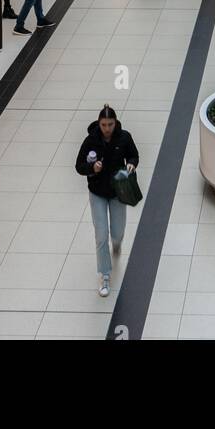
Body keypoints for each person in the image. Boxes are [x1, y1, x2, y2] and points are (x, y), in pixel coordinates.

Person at [75, 105, 139, 298]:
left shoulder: (124, 137)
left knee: (117, 232)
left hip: (118, 192)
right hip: (97, 192)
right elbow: (79, 166)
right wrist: (91, 168)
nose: (107, 128)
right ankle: (104, 275)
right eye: (104, 124)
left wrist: (131, 164)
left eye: (110, 124)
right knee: (101, 235)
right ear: (99, 123)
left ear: (115, 122)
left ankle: (117, 244)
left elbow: (134, 155)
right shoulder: (91, 140)